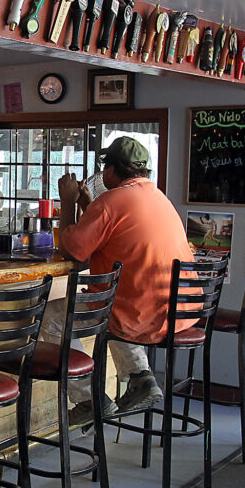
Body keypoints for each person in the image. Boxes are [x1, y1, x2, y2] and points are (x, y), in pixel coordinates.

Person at [42, 136, 196, 426]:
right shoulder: (158, 197)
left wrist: (66, 202)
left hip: (141, 314)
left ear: (111, 171)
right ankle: (141, 378)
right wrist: (88, 204)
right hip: (177, 310)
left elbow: (73, 251)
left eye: (104, 166)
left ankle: (89, 399)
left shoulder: (112, 201)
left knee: (53, 317)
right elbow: (109, 232)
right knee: (112, 305)